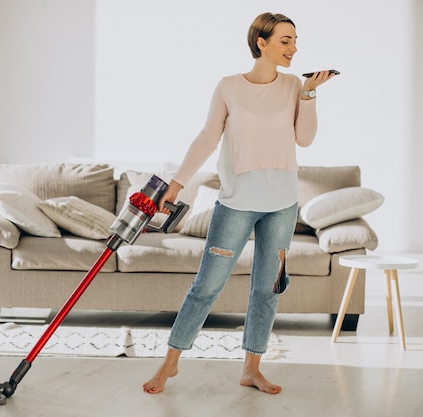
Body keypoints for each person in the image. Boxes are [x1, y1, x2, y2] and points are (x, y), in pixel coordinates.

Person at [142, 12, 336, 395]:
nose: (293, 48)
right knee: (206, 286)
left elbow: (305, 138)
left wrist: (310, 94)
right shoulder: (229, 86)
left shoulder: (293, 85)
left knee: (267, 289)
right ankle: (170, 364)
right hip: (236, 203)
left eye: (295, 40)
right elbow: (207, 138)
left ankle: (252, 368)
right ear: (261, 42)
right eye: (285, 40)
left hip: (281, 204)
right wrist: (177, 184)